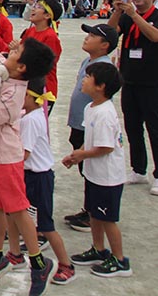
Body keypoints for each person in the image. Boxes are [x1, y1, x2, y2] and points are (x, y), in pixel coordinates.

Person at [0, 0, 56, 295]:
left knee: (17, 208)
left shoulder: (13, 92)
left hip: (6, 156)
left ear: (21, 68)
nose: (11, 50)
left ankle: (37, 261)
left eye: (16, 53)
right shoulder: (2, 68)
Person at [63, 62, 131, 278]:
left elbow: (105, 147)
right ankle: (98, 249)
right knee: (94, 214)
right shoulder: (90, 107)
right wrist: (78, 153)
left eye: (88, 77)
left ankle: (120, 261)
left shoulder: (105, 114)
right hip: (94, 174)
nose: (83, 80)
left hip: (107, 177)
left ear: (100, 86)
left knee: (108, 219)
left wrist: (82, 155)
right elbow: (90, 140)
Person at [6, 81, 76, 285]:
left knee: (45, 224)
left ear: (29, 97)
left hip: (38, 177)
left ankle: (66, 265)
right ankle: (15, 253)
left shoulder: (31, 120)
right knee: (13, 214)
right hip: (31, 176)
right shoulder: (30, 115)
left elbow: (24, 154)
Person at [64, 23, 118, 231]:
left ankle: (92, 213)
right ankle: (89, 208)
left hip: (91, 125)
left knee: (90, 167)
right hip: (80, 122)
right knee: (85, 169)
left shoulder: (104, 67)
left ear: (105, 45)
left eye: (93, 36)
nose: (87, 38)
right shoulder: (89, 60)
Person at [107, 0, 158, 194]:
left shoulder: (153, 15)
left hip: (153, 82)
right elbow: (108, 35)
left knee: (154, 129)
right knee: (132, 127)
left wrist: (134, 15)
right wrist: (118, 11)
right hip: (129, 79)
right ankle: (138, 169)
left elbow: (155, 36)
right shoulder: (127, 14)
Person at [18, 0, 63, 112]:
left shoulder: (50, 37)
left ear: (47, 16)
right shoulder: (30, 31)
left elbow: (46, 64)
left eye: (38, 7)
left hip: (43, 89)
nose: (33, 9)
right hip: (28, 85)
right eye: (34, 5)